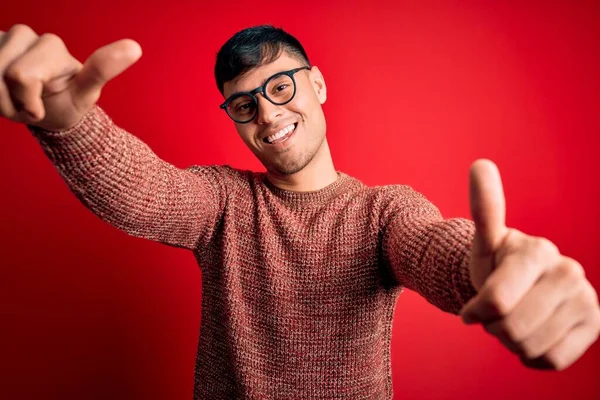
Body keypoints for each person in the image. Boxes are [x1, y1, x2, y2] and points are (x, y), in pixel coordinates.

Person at [1, 23, 598, 399]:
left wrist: (489, 269)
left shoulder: (383, 212)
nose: (265, 113)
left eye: (280, 87)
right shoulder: (223, 202)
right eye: (243, 104)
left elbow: (432, 246)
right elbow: (143, 191)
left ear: (317, 84)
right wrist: (70, 126)